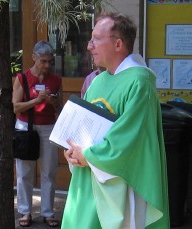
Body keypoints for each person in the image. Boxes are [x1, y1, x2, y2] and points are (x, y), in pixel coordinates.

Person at [62, 13, 170, 228]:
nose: (89, 46)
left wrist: (88, 155)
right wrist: (72, 150)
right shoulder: (98, 81)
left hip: (117, 186)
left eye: (95, 39)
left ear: (118, 43)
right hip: (87, 180)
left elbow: (130, 140)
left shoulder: (139, 83)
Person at [12, 40, 62, 227]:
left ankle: (48, 212)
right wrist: (36, 101)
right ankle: (25, 212)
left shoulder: (56, 80)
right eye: (43, 61)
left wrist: (52, 101)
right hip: (26, 127)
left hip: (49, 126)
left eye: (50, 61)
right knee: (25, 172)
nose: (47, 65)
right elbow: (16, 106)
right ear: (34, 57)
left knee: (49, 171)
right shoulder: (22, 78)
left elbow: (60, 106)